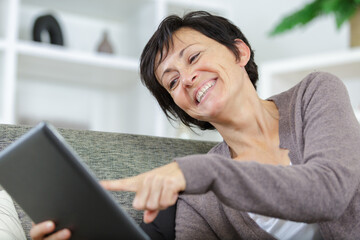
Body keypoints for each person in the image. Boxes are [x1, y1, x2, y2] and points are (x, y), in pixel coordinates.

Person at [30, 11, 360, 240]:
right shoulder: (196, 198)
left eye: (192, 58)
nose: (186, 80)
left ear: (239, 51)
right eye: (171, 83)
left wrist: (199, 172)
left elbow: (329, 192)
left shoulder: (314, 94)